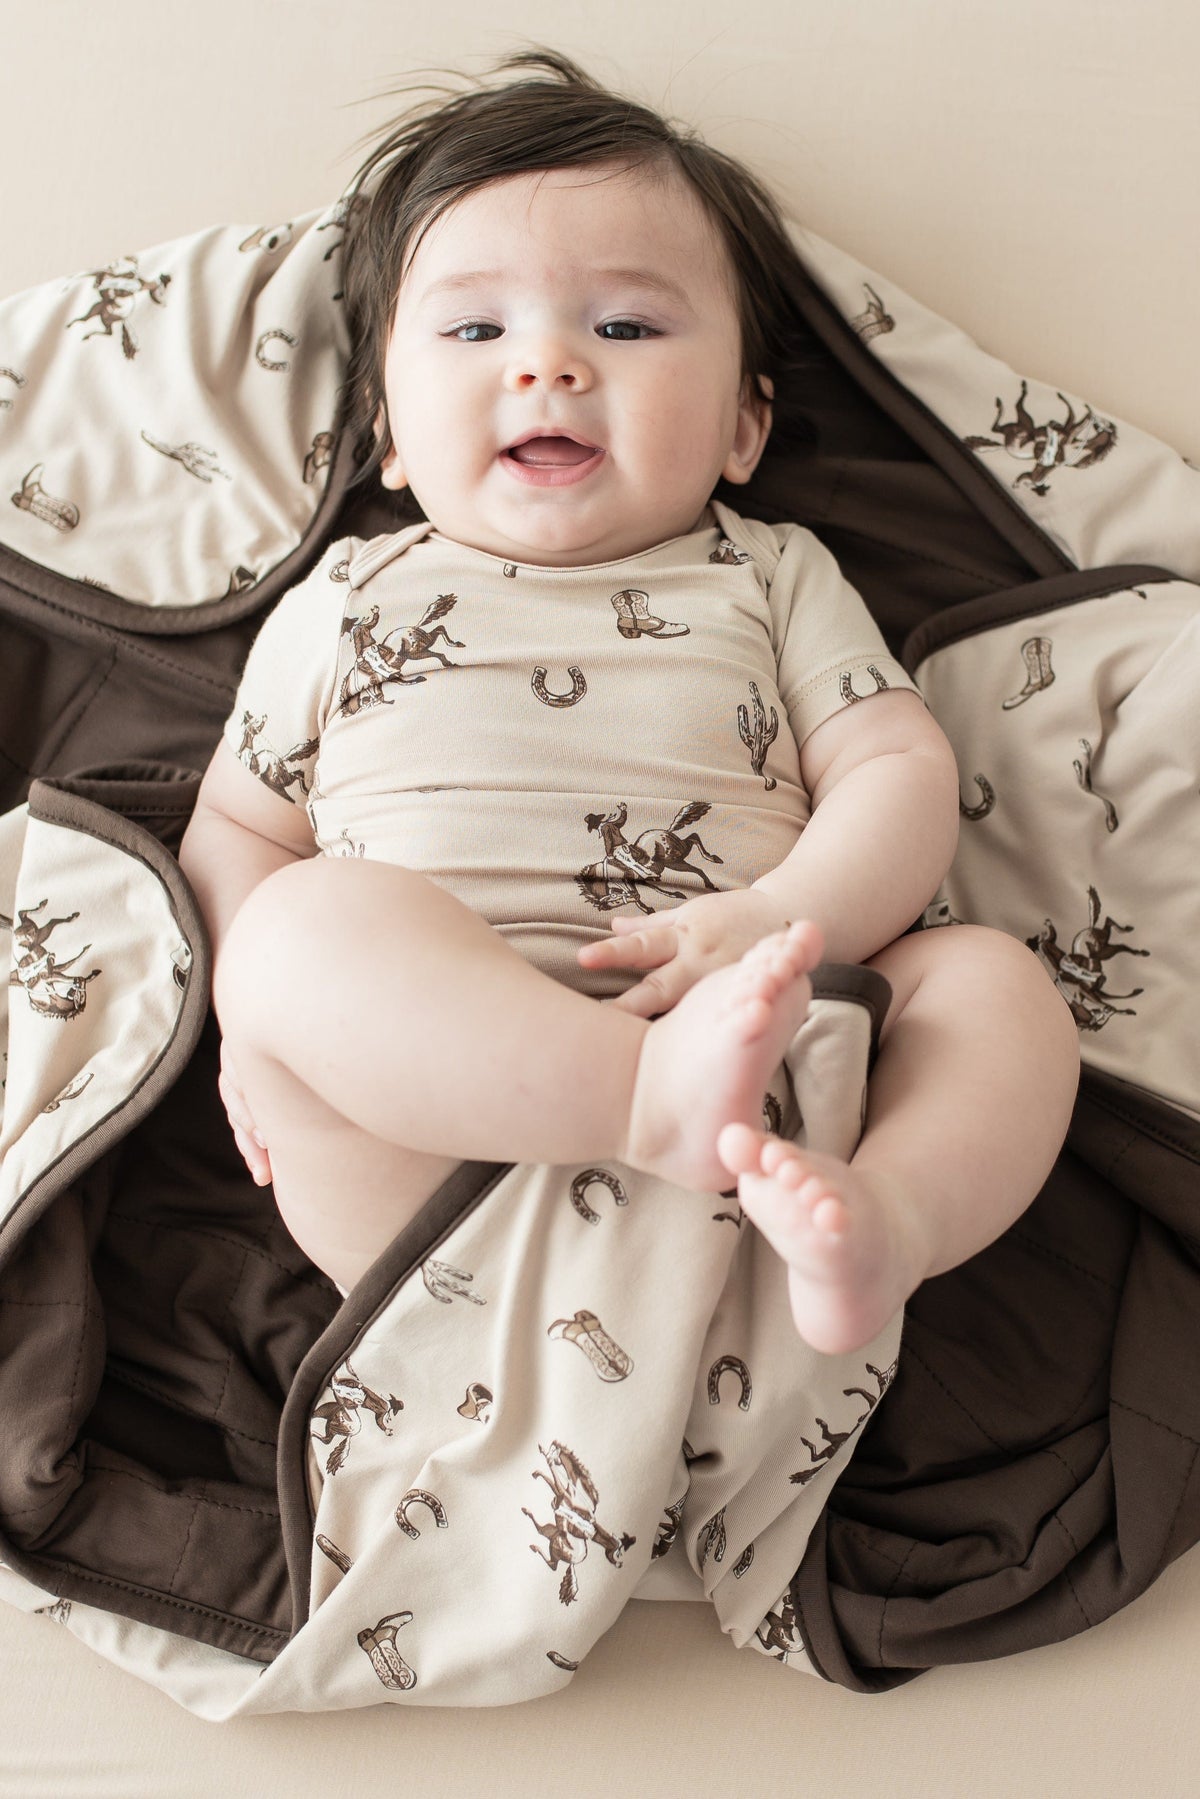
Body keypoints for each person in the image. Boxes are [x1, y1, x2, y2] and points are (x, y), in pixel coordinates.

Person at [178, 50, 1079, 1357]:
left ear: (741, 432)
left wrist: (780, 916)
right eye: (477, 330)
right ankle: (634, 1095)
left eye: (626, 327)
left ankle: (889, 1218)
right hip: (429, 1157)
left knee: (991, 985)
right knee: (289, 933)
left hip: (764, 1115)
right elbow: (236, 831)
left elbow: (897, 768)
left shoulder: (769, 575)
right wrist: (246, 1032)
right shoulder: (342, 595)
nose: (547, 366)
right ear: (384, 430)